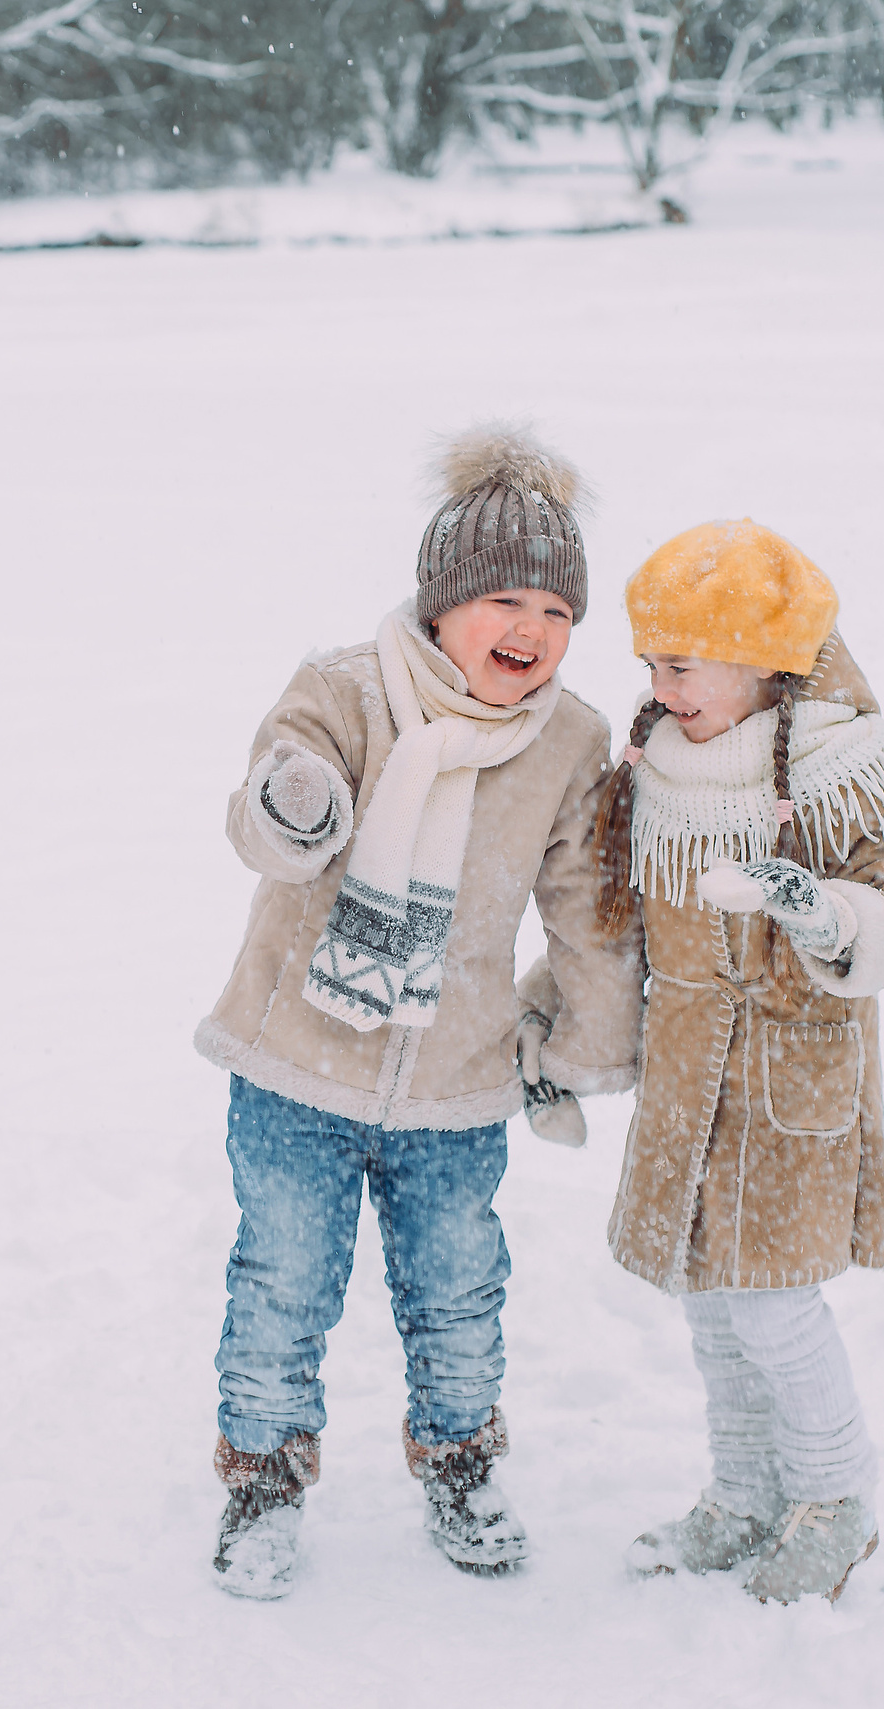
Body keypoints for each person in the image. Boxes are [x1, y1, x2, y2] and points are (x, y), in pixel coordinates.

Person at [195, 426, 643, 1599]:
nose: (531, 632)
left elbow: (587, 911)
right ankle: (262, 1480)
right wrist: (292, 802)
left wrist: (588, 1040)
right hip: (296, 1064)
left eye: (557, 611)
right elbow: (264, 819)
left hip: (454, 1082)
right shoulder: (342, 691)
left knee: (458, 1285)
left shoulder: (572, 740)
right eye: (506, 599)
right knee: (281, 1281)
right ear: (445, 603)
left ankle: (458, 1462)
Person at [556, 518, 884, 1604]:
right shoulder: (654, 767)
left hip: (789, 1089)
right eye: (649, 661)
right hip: (688, 1085)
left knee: (774, 1302)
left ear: (759, 658)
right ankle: (741, 1492)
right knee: (709, 1300)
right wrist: (564, 1029)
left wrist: (827, 912)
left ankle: (834, 1499)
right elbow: (611, 922)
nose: (659, 683)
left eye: (680, 661)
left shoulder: (836, 765)